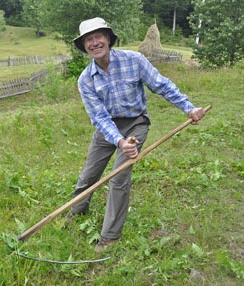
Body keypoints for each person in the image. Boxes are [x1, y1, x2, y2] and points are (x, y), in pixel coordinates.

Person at [67, 17, 206, 253]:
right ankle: (77, 209)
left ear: (108, 38)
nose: (95, 42)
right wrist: (118, 141)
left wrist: (188, 108)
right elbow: (100, 117)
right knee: (89, 173)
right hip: (107, 126)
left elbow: (162, 85)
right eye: (88, 40)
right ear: (84, 46)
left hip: (135, 123)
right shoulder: (85, 80)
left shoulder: (134, 60)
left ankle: (110, 235)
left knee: (119, 176)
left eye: (99, 36)